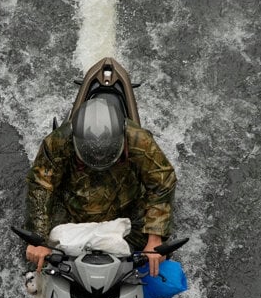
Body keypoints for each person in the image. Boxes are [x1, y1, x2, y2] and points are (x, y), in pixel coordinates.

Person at [24, 87, 176, 278]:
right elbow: (40, 187)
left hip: (127, 208)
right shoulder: (57, 143)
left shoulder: (139, 140)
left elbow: (162, 182)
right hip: (71, 208)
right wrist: (38, 240)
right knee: (37, 259)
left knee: (158, 256)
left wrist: (154, 239)